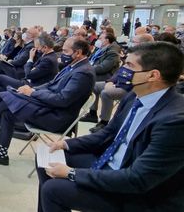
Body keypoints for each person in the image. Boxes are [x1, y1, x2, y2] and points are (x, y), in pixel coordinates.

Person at [37, 42, 184, 212]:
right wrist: (66, 144)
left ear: (152, 75)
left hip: (135, 192)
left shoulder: (174, 121)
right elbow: (108, 133)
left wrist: (72, 173)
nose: (122, 70)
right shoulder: (134, 96)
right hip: (110, 164)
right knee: (48, 157)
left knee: (53, 190)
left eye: (129, 66)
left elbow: (138, 179)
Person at [0, 38, 95, 164]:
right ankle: (1, 154)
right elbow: (51, 84)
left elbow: (62, 100)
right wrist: (31, 89)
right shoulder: (74, 66)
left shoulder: (83, 73)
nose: (62, 54)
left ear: (78, 53)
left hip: (57, 117)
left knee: (11, 97)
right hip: (50, 106)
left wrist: (33, 93)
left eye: (65, 51)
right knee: (10, 106)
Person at [89, 33, 155, 133]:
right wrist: (110, 81)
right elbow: (121, 71)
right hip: (120, 81)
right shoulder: (133, 54)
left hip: (131, 88)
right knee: (93, 86)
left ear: (143, 44)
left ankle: (104, 122)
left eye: (134, 42)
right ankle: (92, 114)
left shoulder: (151, 59)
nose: (131, 44)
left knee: (106, 93)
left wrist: (115, 85)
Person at [0, 33, 58, 105]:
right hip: (28, 81)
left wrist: (30, 59)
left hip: (31, 86)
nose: (36, 49)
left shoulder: (48, 60)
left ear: (45, 47)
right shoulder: (46, 56)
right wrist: (31, 67)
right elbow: (31, 70)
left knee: (0, 77)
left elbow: (29, 74)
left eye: (38, 47)